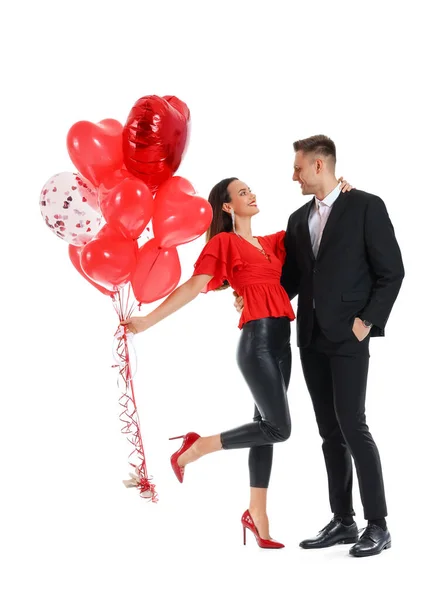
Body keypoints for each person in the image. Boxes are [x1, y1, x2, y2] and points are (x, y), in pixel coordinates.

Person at [121, 175, 352, 549]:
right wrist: (146, 322)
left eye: (250, 189)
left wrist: (339, 193)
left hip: (282, 343)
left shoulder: (272, 243)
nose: (252, 194)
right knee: (280, 428)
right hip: (256, 343)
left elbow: (314, 224)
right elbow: (195, 286)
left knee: (265, 426)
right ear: (227, 207)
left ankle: (257, 514)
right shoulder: (225, 243)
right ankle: (196, 447)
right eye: (243, 192)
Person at [235, 135, 404, 557]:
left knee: (354, 427)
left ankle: (378, 525)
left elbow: (392, 271)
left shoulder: (367, 205)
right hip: (309, 337)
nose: (292, 176)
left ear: (318, 166)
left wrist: (368, 321)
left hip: (349, 336)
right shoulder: (297, 219)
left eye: (297, 168)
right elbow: (292, 280)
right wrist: (251, 294)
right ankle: (344, 520)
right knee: (329, 433)